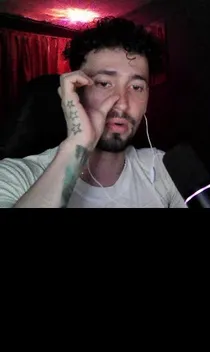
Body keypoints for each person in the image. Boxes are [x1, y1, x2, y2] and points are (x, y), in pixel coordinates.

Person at [0, 17, 185, 208]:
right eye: (104, 84)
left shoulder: (163, 168)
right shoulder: (15, 177)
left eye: (136, 87)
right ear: (75, 91)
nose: (122, 104)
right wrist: (78, 144)